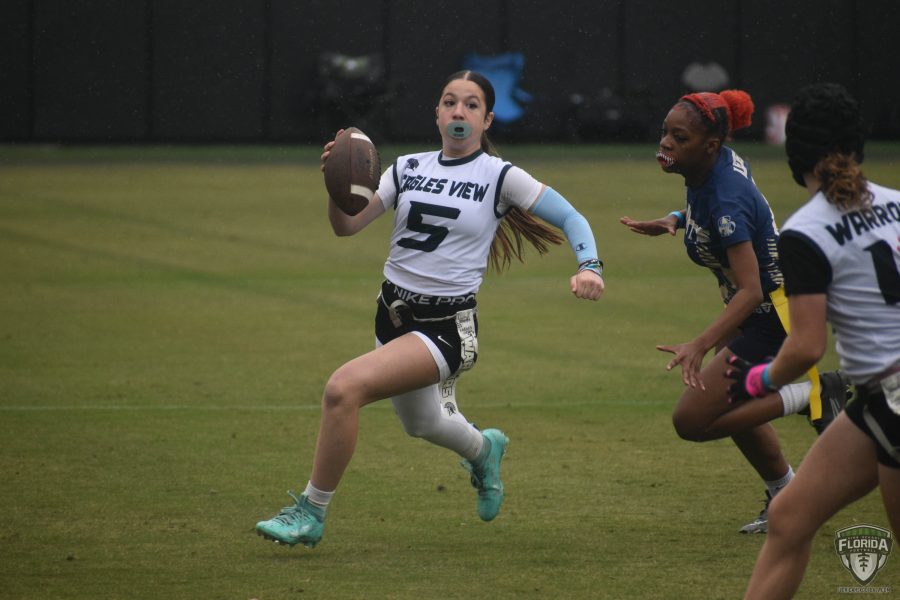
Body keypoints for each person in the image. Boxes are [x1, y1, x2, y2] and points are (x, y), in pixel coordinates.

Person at [254, 70, 606, 548]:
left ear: (487, 120)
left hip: (445, 328)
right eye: (449, 102)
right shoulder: (407, 167)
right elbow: (346, 226)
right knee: (422, 423)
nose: (459, 111)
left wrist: (590, 266)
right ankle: (484, 450)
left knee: (342, 389)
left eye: (471, 105)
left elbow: (570, 216)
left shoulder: (500, 176)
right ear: (437, 113)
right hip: (392, 313)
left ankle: (310, 512)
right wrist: (337, 187)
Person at [619, 89, 850, 533]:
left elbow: (751, 289)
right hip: (758, 313)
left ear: (710, 145)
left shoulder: (726, 196)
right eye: (666, 132)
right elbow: (714, 208)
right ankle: (784, 495)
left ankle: (814, 394)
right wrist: (675, 219)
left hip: (774, 316)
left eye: (679, 137)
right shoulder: (710, 166)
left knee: (692, 421)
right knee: (725, 405)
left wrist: (699, 343)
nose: (666, 142)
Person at [731, 83, 900, 599]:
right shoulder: (897, 203)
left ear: (795, 152)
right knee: (789, 517)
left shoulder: (805, 232)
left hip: (893, 399)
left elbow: (806, 347)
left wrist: (759, 379)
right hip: (876, 401)